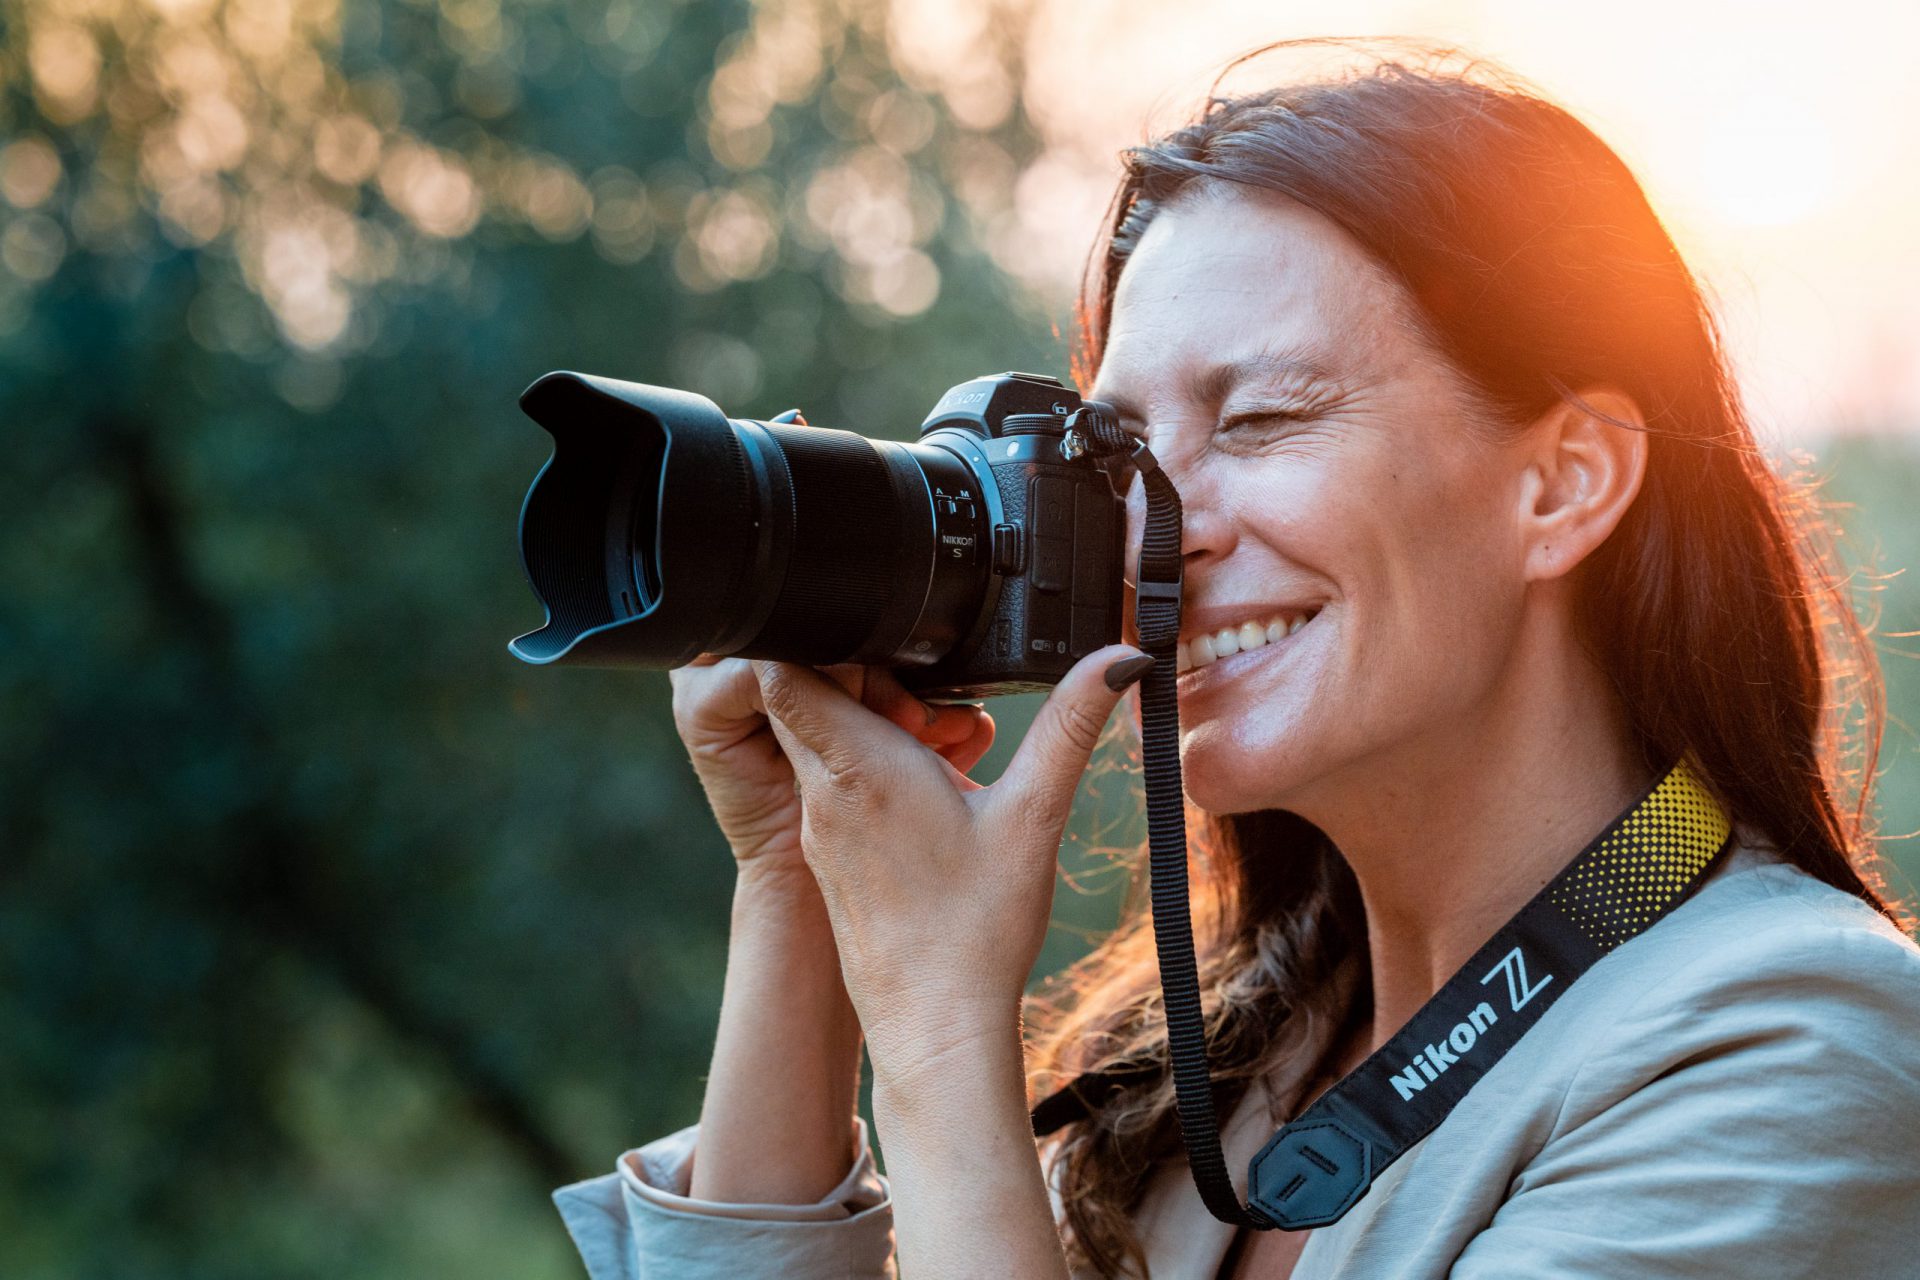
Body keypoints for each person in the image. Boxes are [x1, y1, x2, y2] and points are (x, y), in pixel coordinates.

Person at [552, 45, 1920, 1280]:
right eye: (1118, 454)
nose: (1159, 530)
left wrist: (940, 1027)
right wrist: (801, 881)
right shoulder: (1220, 1080)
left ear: (1563, 485)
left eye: (1263, 418)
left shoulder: (1792, 1046)